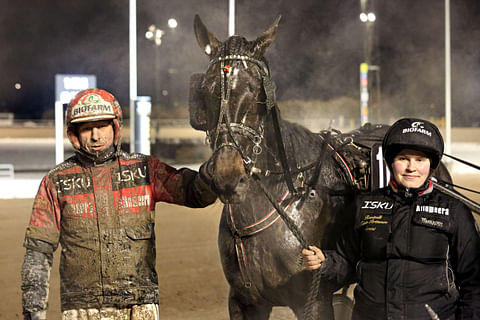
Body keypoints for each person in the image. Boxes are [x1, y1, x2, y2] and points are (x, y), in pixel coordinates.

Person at [20, 88, 217, 320]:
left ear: (115, 127)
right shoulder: (56, 182)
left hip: (140, 305)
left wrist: (218, 167)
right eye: (86, 128)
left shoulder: (145, 170)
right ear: (74, 133)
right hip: (82, 308)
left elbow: (197, 194)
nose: (95, 136)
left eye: (102, 125)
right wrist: (33, 312)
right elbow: (38, 252)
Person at [302, 118, 480, 320]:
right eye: (403, 158)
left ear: (431, 164)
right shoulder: (363, 205)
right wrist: (325, 263)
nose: (411, 167)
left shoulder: (455, 211)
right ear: (390, 162)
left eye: (420, 160)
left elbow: (474, 282)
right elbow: (347, 262)